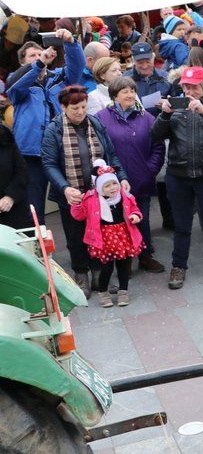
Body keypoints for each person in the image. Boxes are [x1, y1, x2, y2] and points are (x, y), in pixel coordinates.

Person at [41, 85, 127, 295]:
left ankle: (98, 272)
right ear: (63, 107)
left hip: (98, 194)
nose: (80, 112)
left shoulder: (95, 123)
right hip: (71, 195)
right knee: (75, 236)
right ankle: (81, 274)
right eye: (75, 108)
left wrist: (122, 177)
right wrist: (65, 188)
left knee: (98, 233)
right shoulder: (54, 129)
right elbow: (49, 163)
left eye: (83, 107)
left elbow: (111, 155)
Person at [151, 66, 203, 289]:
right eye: (186, 86)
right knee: (181, 224)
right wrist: (165, 114)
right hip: (178, 174)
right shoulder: (175, 107)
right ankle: (179, 265)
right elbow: (156, 136)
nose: (190, 91)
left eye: (195, 86)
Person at [10, 28, 83, 222]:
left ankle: (79, 247)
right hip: (31, 153)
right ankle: (38, 249)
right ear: (22, 62)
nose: (38, 57)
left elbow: (76, 68)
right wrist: (39, 64)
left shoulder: (57, 77)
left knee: (72, 199)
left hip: (62, 147)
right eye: (32, 56)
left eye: (39, 53)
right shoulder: (16, 80)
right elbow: (15, 89)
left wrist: (70, 43)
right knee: (34, 205)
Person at [95, 77, 166, 273]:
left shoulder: (147, 118)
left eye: (132, 90)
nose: (130, 94)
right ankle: (121, 260)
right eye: (125, 91)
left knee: (141, 218)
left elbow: (158, 147)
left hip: (141, 179)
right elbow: (99, 149)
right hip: (111, 182)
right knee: (115, 222)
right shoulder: (101, 117)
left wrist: (149, 170)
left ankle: (145, 255)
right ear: (114, 95)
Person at [69, 160, 143, 308]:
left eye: (114, 184)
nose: (112, 188)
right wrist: (77, 204)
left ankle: (123, 291)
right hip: (104, 238)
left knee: (124, 265)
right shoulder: (91, 199)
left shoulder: (125, 196)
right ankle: (103, 292)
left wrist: (136, 216)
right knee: (106, 267)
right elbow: (79, 216)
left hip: (123, 235)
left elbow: (135, 210)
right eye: (107, 186)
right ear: (100, 187)